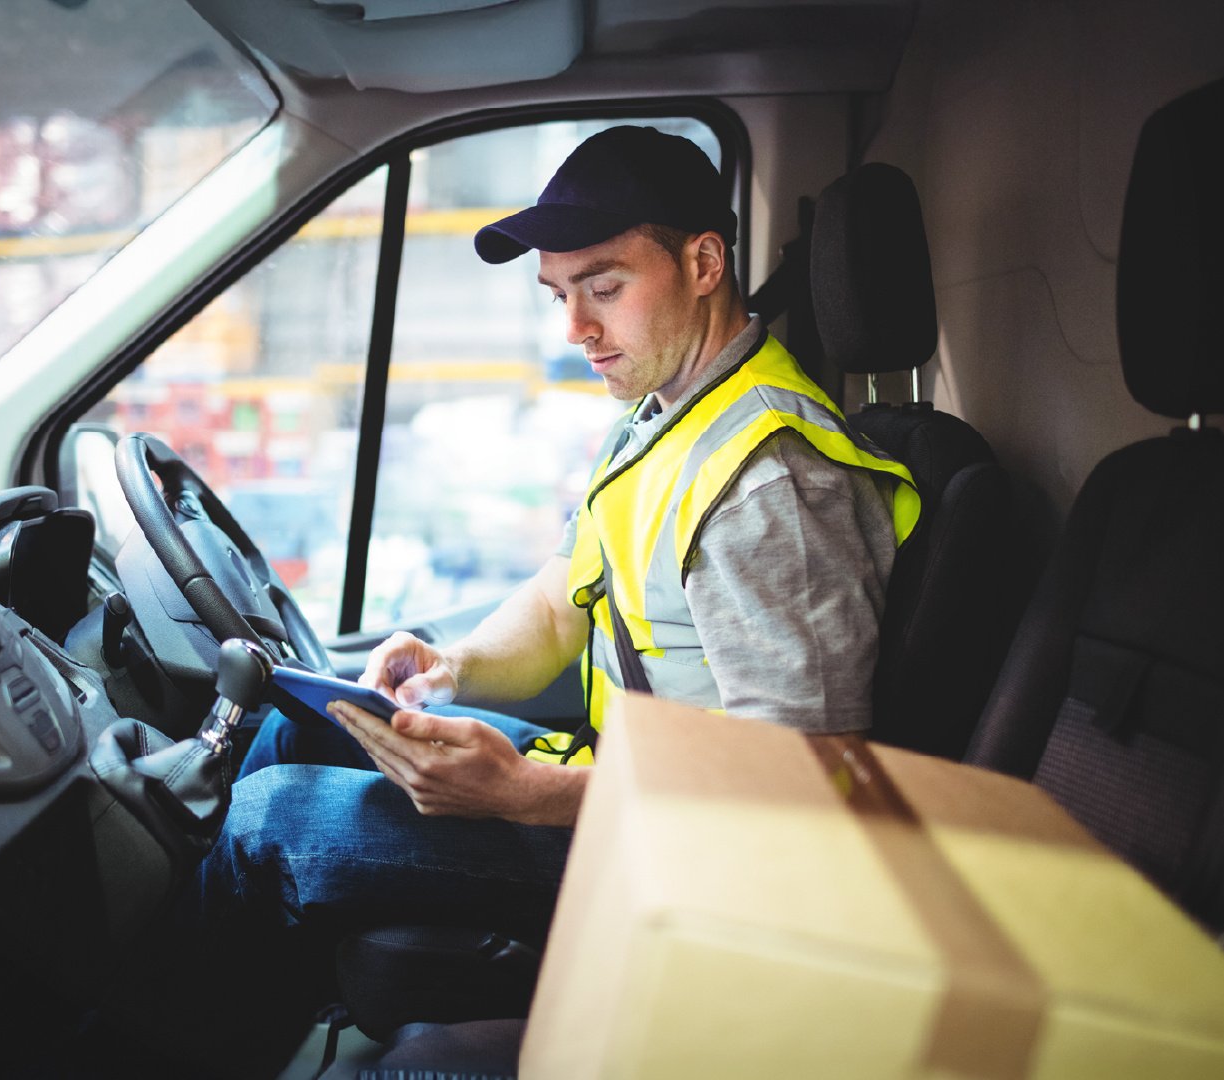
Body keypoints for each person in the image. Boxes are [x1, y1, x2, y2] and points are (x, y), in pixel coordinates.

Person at [162, 126, 919, 1076]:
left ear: (703, 262)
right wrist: (452, 666)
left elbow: (798, 790)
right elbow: (565, 603)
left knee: (263, 820)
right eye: (560, 296)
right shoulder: (668, 416)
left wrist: (530, 794)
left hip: (702, 872)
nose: (577, 330)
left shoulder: (770, 481)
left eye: (604, 287)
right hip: (630, 790)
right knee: (296, 731)